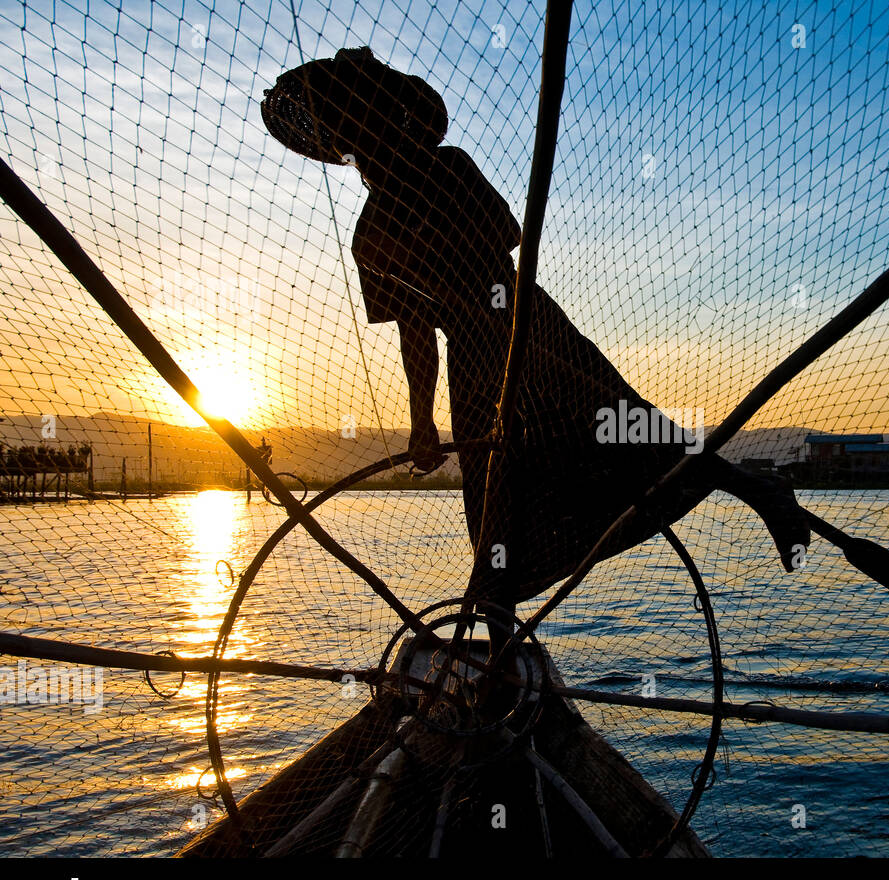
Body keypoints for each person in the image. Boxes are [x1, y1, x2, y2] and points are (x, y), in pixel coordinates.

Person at [262, 47, 810, 605]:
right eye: (349, 138)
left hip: (527, 327)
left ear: (385, 125)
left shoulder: (448, 170)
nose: (359, 149)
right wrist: (422, 422)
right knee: (499, 519)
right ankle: (495, 629)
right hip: (475, 363)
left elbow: (499, 241)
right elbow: (416, 331)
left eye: (363, 127)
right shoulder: (370, 232)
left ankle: (758, 488)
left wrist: (463, 299)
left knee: (628, 431)